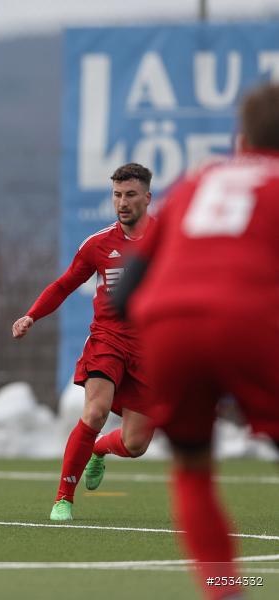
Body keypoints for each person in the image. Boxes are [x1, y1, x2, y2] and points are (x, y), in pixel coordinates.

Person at [115, 82, 279, 600]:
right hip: (249, 319)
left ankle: (225, 589)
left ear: (242, 134)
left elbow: (126, 294)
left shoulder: (198, 179)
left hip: (167, 324)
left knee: (192, 467)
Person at [12, 163, 156, 521]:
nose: (122, 203)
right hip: (108, 340)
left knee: (136, 444)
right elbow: (64, 284)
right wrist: (32, 314)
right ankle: (64, 498)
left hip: (150, 350)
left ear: (147, 198)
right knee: (95, 411)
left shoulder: (169, 241)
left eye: (130, 195)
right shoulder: (98, 244)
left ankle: (99, 451)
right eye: (117, 195)